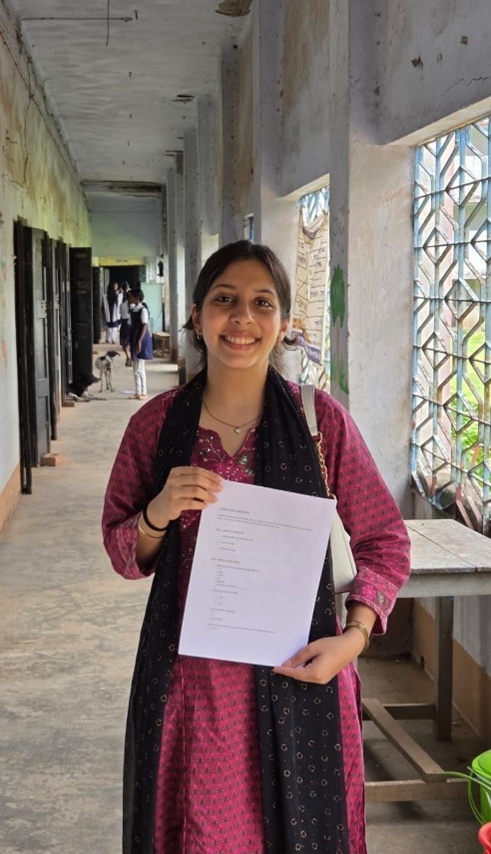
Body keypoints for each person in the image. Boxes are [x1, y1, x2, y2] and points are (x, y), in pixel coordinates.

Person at [102, 240, 411, 854]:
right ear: (196, 315)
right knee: (205, 832)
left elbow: (385, 541)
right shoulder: (159, 425)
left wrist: (350, 642)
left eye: (261, 303)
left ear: (284, 323)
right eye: (224, 300)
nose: (242, 319)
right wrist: (160, 511)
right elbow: (122, 551)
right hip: (194, 686)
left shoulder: (320, 422)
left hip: (304, 672)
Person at [127, 287, 153, 400]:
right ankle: (138, 391)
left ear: (137, 298)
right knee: (135, 367)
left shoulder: (143, 310)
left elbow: (145, 325)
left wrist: (139, 341)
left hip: (140, 339)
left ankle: (144, 391)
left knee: (140, 367)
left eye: (131, 296)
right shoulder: (134, 310)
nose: (129, 298)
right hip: (134, 338)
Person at [119, 282, 132, 366]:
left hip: (124, 324)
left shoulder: (122, 305)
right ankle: (131, 357)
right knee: (131, 342)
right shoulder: (133, 305)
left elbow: (120, 314)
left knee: (124, 343)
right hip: (131, 324)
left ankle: (128, 356)